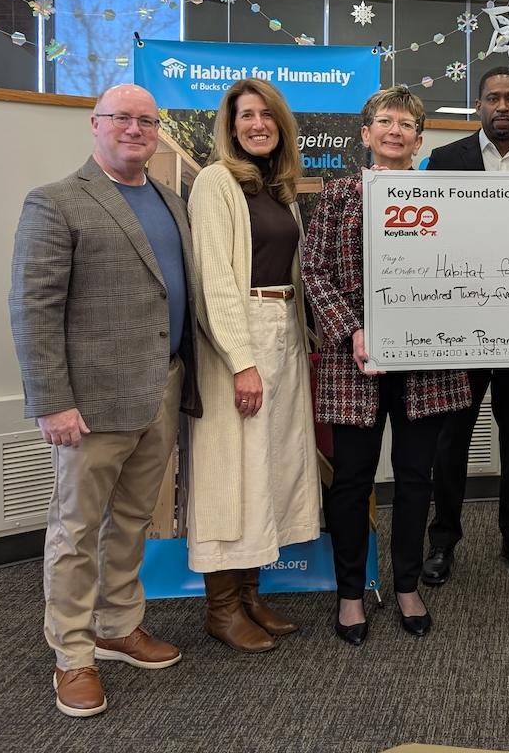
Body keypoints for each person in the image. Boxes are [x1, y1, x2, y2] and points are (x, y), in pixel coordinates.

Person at [9, 84, 202, 718]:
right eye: (122, 118)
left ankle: (118, 624)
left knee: (133, 521)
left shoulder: (172, 203)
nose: (135, 129)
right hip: (89, 403)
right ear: (96, 124)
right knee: (75, 529)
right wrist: (52, 401)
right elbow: (33, 310)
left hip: (161, 387)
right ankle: (72, 654)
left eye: (147, 121)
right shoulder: (57, 202)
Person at [303, 86, 472, 643]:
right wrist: (352, 330)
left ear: (420, 140)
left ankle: (406, 585)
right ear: (366, 133)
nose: (395, 130)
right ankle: (350, 593)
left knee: (415, 478)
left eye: (406, 123)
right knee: (351, 480)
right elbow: (316, 273)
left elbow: (464, 270)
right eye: (385, 121)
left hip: (426, 364)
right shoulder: (336, 196)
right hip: (356, 363)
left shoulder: (445, 199)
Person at [185, 78, 321, 653]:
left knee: (269, 468)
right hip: (238, 342)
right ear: (231, 125)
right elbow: (215, 281)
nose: (257, 124)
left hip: (283, 334)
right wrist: (241, 362)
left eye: (267, 115)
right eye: (246, 116)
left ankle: (251, 594)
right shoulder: (215, 184)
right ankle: (221, 609)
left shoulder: (278, 189)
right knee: (231, 473)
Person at [420, 67, 509, 585]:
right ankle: (443, 542)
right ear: (478, 106)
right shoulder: (444, 161)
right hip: (463, 329)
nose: (502, 106)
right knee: (452, 438)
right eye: (492, 99)